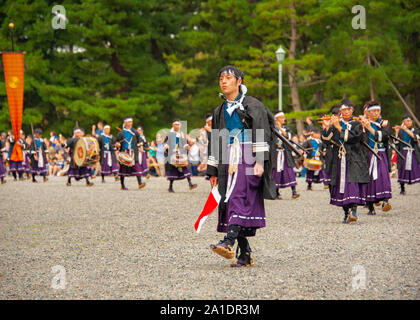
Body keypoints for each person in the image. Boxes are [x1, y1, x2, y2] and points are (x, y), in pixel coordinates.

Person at [206, 65, 276, 268]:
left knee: (239, 195)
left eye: (228, 77)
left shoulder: (253, 105)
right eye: (221, 78)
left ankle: (228, 242)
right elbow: (217, 139)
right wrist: (213, 169)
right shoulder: (219, 110)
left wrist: (260, 161)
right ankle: (244, 253)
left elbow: (263, 132)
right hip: (228, 156)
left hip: (248, 154)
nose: (223, 81)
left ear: (239, 82)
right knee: (228, 198)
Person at [321, 99, 369, 224]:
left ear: (352, 110)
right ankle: (346, 212)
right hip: (339, 158)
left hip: (354, 158)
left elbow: (354, 138)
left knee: (352, 183)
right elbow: (326, 141)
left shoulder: (357, 124)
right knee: (339, 185)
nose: (347, 111)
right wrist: (327, 127)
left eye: (349, 109)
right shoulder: (336, 123)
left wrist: (338, 127)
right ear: (340, 111)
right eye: (344, 109)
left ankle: (353, 210)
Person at [359, 101, 392, 214]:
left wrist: (370, 128)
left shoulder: (384, 123)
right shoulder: (363, 123)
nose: (376, 113)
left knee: (383, 176)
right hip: (368, 154)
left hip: (381, 153)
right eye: (374, 111)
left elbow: (384, 137)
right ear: (368, 112)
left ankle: (385, 201)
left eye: (378, 111)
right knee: (370, 179)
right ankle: (370, 206)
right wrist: (363, 127)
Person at [272, 111, 300, 199]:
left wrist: (280, 128)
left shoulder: (287, 129)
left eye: (284, 117)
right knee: (276, 173)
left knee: (290, 171)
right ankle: (276, 192)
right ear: (276, 119)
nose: (284, 119)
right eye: (282, 117)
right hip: (276, 154)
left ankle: (294, 191)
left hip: (285, 153)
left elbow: (287, 137)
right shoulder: (272, 128)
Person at [164, 119, 197, 192]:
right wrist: (166, 146)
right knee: (173, 170)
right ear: (173, 125)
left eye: (178, 124)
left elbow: (184, 142)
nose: (177, 126)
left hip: (181, 153)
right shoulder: (169, 133)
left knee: (185, 166)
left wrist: (187, 146)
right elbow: (166, 142)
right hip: (172, 154)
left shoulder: (181, 133)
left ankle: (190, 183)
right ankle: (170, 187)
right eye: (176, 124)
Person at [114, 118, 146, 190]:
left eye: (131, 122)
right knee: (123, 169)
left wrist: (141, 147)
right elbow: (116, 143)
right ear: (125, 123)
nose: (130, 123)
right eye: (129, 122)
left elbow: (139, 140)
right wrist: (117, 145)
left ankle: (140, 183)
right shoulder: (121, 133)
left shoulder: (135, 132)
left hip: (133, 152)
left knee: (137, 166)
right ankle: (122, 185)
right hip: (124, 152)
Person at [395, 115, 420, 194]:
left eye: (410, 121)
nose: (409, 122)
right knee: (402, 169)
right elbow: (397, 142)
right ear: (403, 122)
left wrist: (406, 129)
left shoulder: (415, 129)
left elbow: (415, 137)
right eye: (407, 121)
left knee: (416, 168)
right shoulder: (401, 131)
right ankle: (402, 188)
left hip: (413, 152)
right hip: (403, 152)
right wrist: (396, 132)